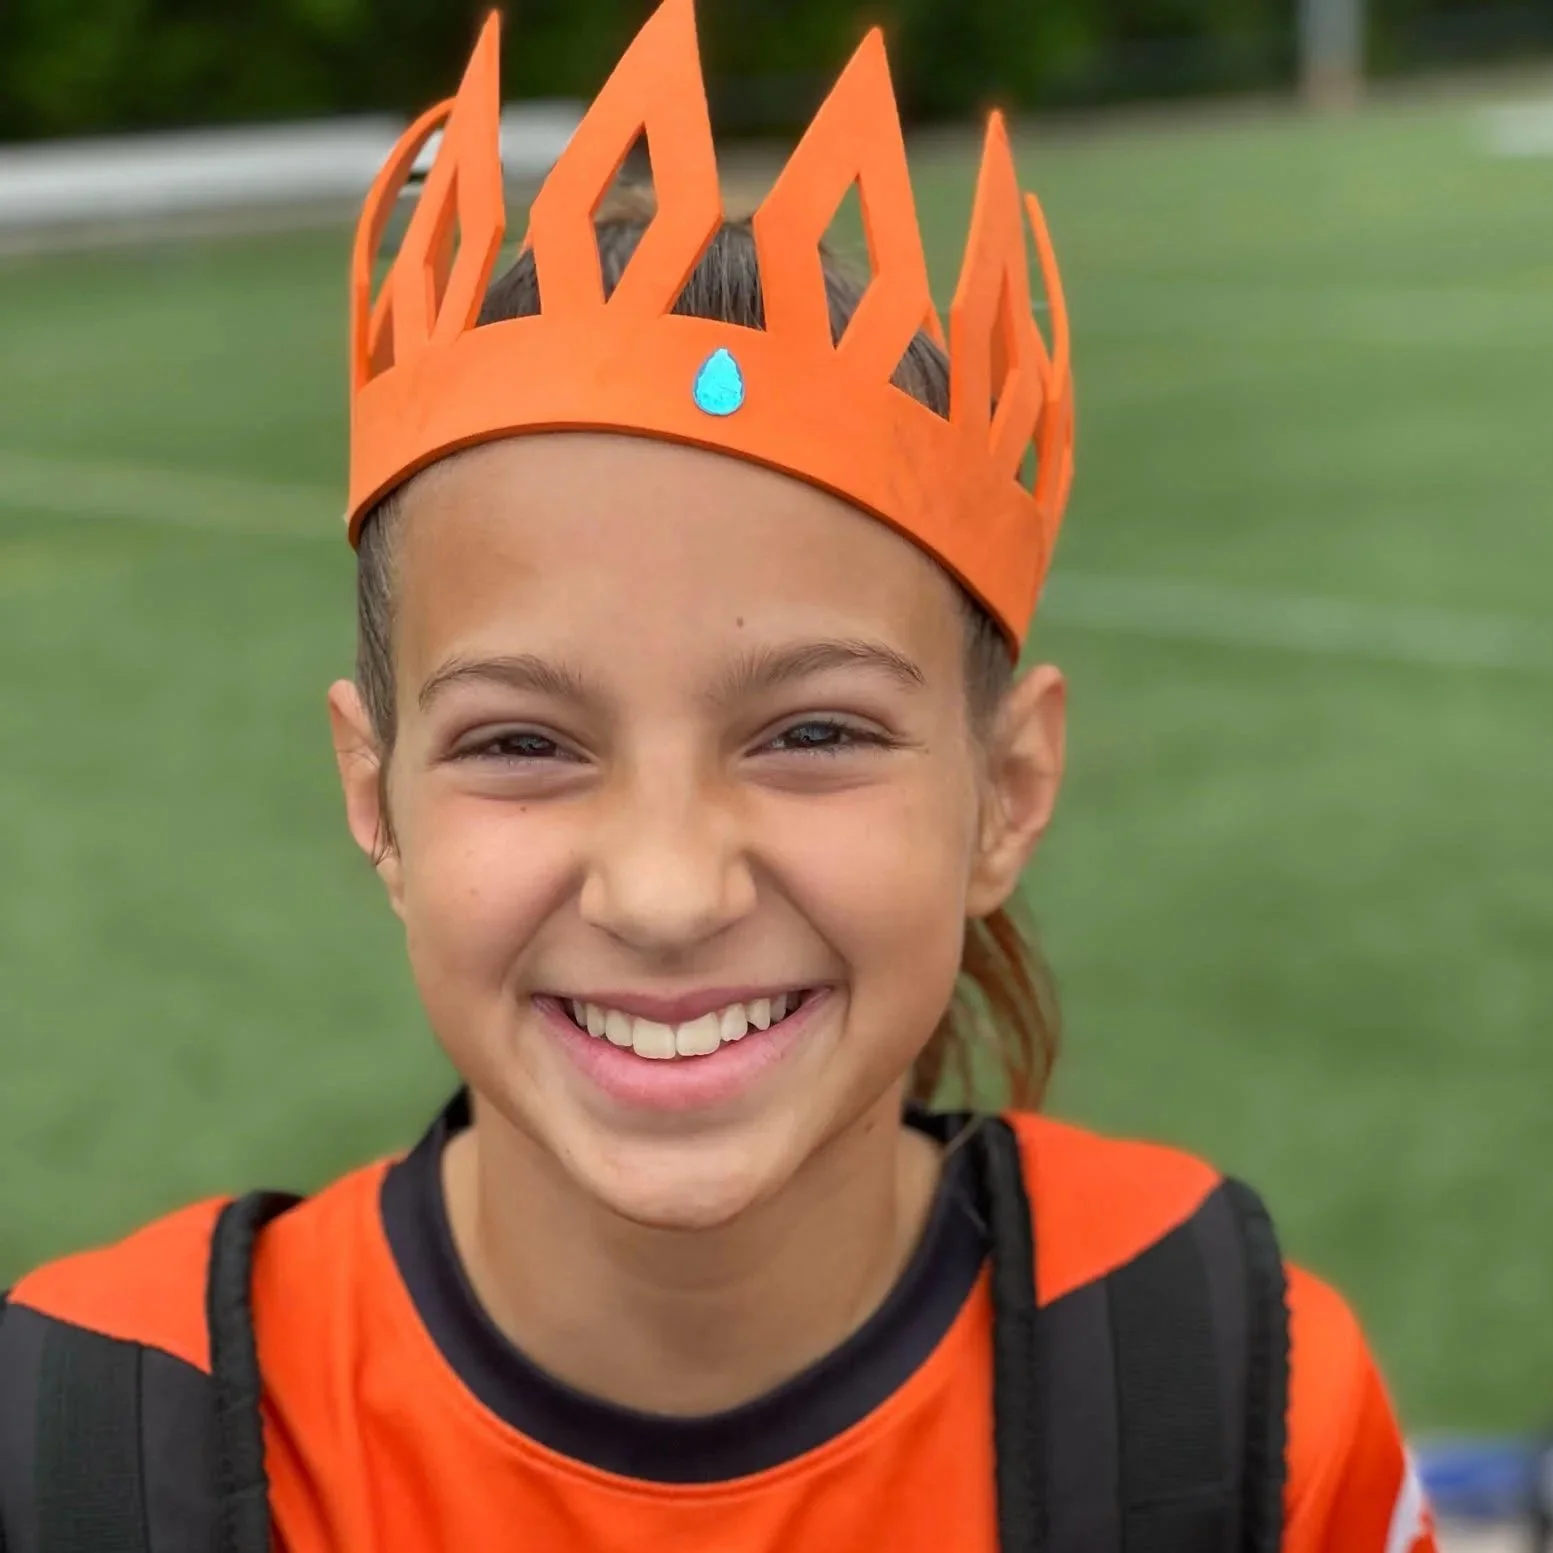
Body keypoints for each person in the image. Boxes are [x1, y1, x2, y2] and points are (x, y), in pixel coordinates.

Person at [0, 4, 1439, 1550]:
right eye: (524, 745)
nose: (671, 891)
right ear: (375, 795)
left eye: (813, 734)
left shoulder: (1228, 1387)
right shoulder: (93, 1431)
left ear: (1008, 793)